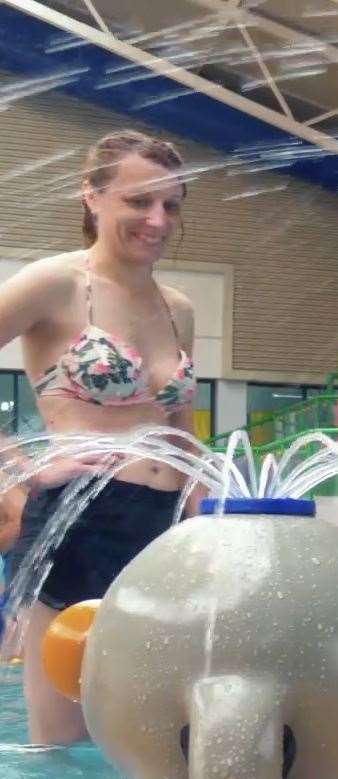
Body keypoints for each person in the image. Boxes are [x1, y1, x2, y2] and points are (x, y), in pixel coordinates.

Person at [0, 131, 200, 744]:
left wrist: (205, 516)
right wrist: (18, 466)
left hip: (163, 530)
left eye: (170, 205)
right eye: (139, 201)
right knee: (62, 748)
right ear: (92, 196)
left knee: (152, 742)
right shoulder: (54, 283)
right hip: (77, 518)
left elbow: (180, 431)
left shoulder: (179, 307)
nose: (157, 220)